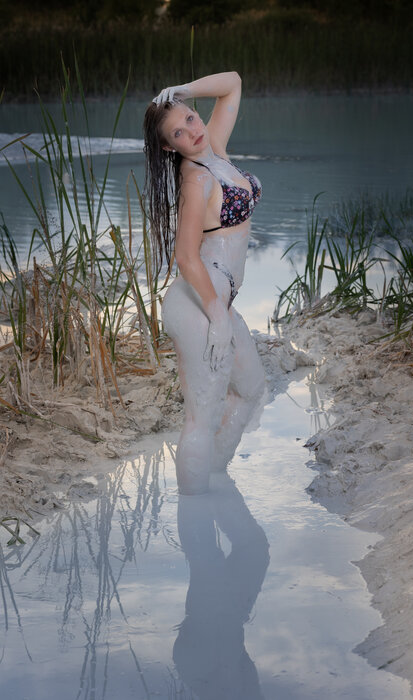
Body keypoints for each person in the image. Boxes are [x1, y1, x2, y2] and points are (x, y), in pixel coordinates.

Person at [143, 72, 265, 495]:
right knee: (200, 417)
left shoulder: (213, 149)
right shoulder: (196, 179)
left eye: (191, 118)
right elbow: (185, 255)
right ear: (168, 147)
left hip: (215, 300)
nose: (192, 131)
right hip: (200, 303)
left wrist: (182, 91)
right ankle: (194, 517)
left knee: (250, 389)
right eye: (178, 132)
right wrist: (216, 314)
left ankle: (214, 479)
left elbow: (233, 83)